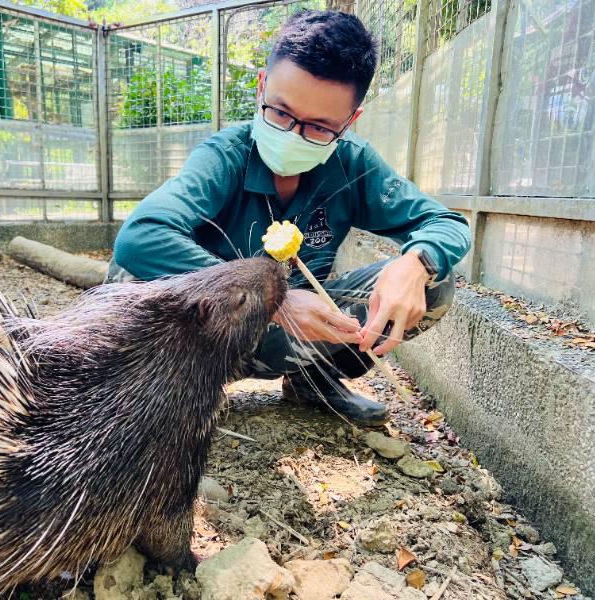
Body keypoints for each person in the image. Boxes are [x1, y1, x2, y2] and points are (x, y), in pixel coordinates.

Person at [106, 10, 471, 426]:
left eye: (319, 128)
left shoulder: (354, 166)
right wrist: (271, 300)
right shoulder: (224, 156)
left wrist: (416, 262)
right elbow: (140, 236)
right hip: (205, 337)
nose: (293, 135)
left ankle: (313, 380)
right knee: (128, 277)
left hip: (282, 339)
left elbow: (447, 223)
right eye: (280, 113)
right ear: (263, 86)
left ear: (350, 122)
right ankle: (163, 389)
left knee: (436, 280)